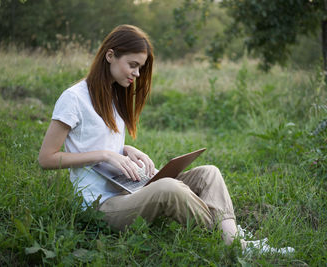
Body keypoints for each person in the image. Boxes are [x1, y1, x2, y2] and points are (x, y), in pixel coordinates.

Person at [38, 24, 293, 255]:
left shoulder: (113, 96)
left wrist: (126, 149)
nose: (137, 74)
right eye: (133, 65)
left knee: (209, 173)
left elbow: (96, 138)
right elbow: (46, 158)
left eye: (141, 67)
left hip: (128, 188)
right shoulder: (74, 99)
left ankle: (233, 241)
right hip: (101, 205)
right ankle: (234, 241)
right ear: (110, 55)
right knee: (169, 188)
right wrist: (106, 155)